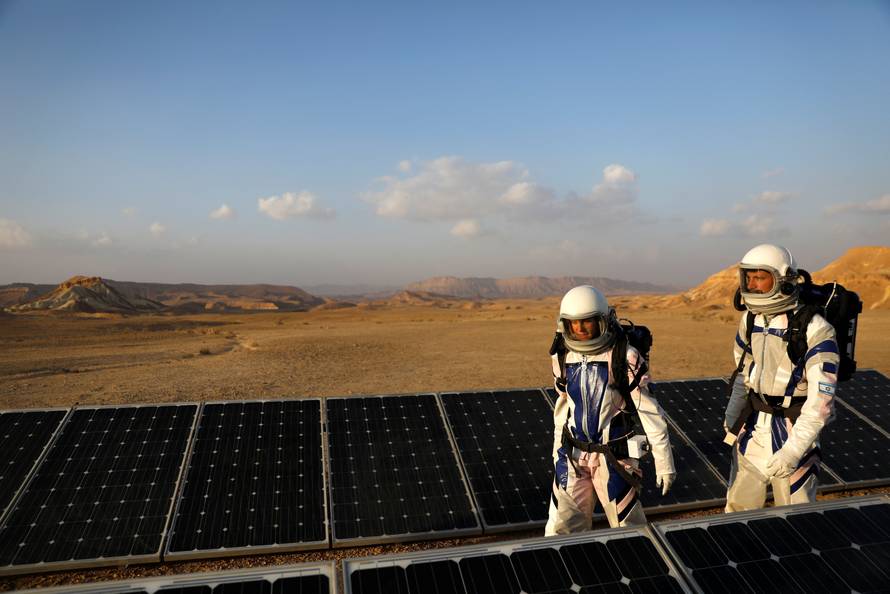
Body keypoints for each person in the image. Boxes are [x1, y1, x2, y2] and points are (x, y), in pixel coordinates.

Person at [545, 285, 675, 535]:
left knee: (628, 530)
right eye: (574, 323)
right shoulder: (562, 356)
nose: (580, 329)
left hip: (614, 457)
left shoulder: (625, 356)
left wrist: (664, 462)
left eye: (587, 322)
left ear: (603, 321)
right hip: (572, 455)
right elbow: (562, 409)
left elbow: (650, 413)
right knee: (561, 531)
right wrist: (556, 453)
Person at [723, 244, 838, 511]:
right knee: (737, 511)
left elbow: (821, 403)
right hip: (753, 429)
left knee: (795, 516)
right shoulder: (750, 320)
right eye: (748, 277)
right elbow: (744, 373)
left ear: (783, 280)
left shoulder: (815, 328)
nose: (752, 285)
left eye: (760, 277)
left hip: (794, 431)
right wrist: (732, 417)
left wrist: (793, 451)